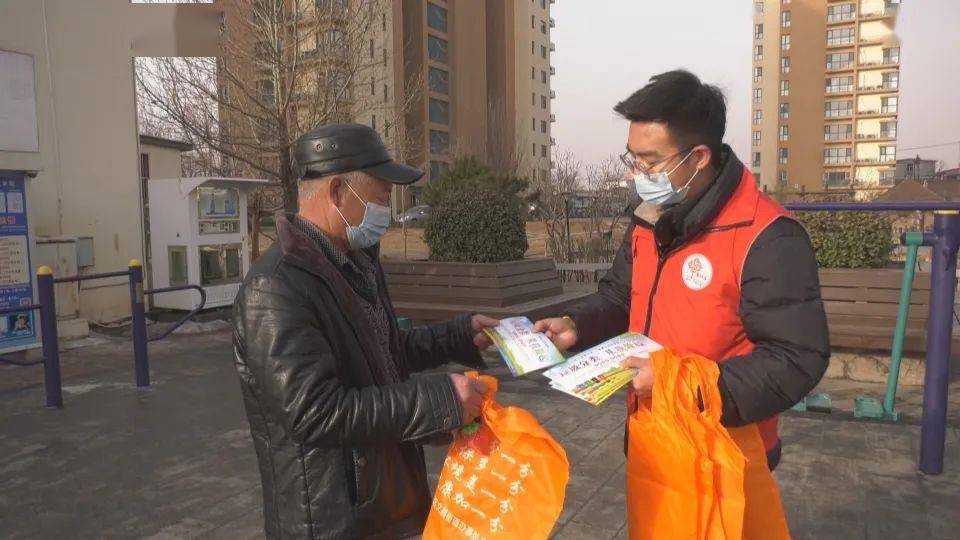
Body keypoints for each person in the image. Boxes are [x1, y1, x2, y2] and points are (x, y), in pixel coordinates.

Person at [534, 70, 829, 473]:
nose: (634, 172)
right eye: (632, 157)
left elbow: (796, 358)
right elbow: (620, 298)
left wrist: (680, 384)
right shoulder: (649, 219)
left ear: (699, 158)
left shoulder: (767, 237)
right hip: (651, 435)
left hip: (723, 453)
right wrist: (576, 325)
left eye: (650, 161)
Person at [233, 123, 498, 539]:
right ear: (338, 192)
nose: (386, 214)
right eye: (380, 198)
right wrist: (440, 399)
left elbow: (379, 352)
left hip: (383, 501)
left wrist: (459, 336)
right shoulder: (277, 287)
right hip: (331, 519)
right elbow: (315, 411)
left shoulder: (354, 261)